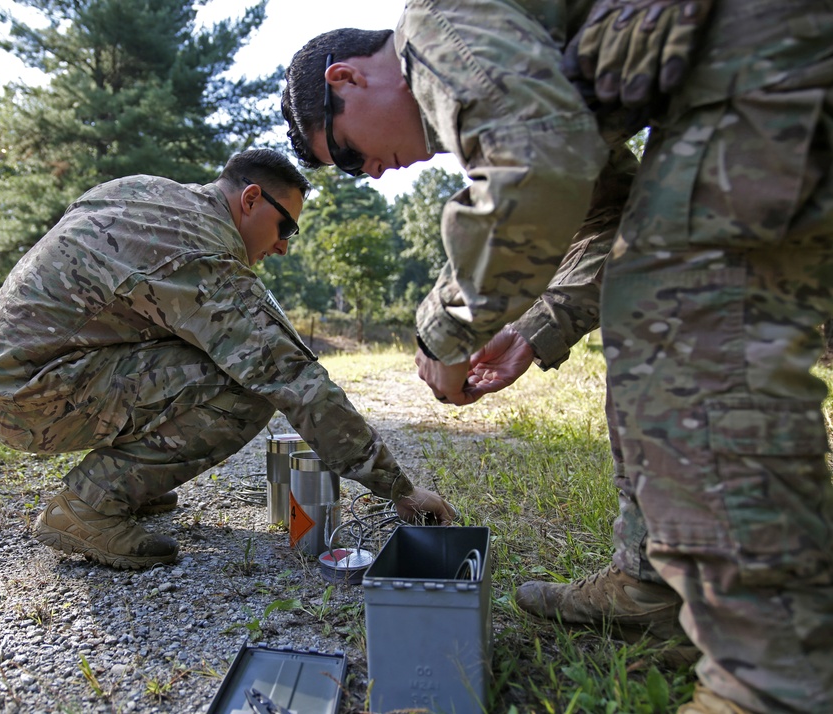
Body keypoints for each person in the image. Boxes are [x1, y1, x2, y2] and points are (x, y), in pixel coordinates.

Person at [282, 2, 833, 713]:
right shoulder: (499, 75)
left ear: (348, 78)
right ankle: (650, 584)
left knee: (689, 308)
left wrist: (443, 332)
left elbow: (537, 161)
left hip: (763, 49)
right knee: (652, 295)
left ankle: (770, 680)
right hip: (737, 71)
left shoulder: (434, 28)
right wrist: (537, 327)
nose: (375, 175)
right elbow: (609, 209)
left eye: (350, 156)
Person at [0, 148, 454, 571]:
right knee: (247, 386)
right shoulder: (203, 254)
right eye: (285, 227)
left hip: (17, 373)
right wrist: (398, 489)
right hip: (31, 395)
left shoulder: (151, 191)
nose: (282, 246)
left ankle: (129, 483)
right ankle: (90, 504)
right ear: (251, 198)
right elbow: (289, 375)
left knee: (221, 357)